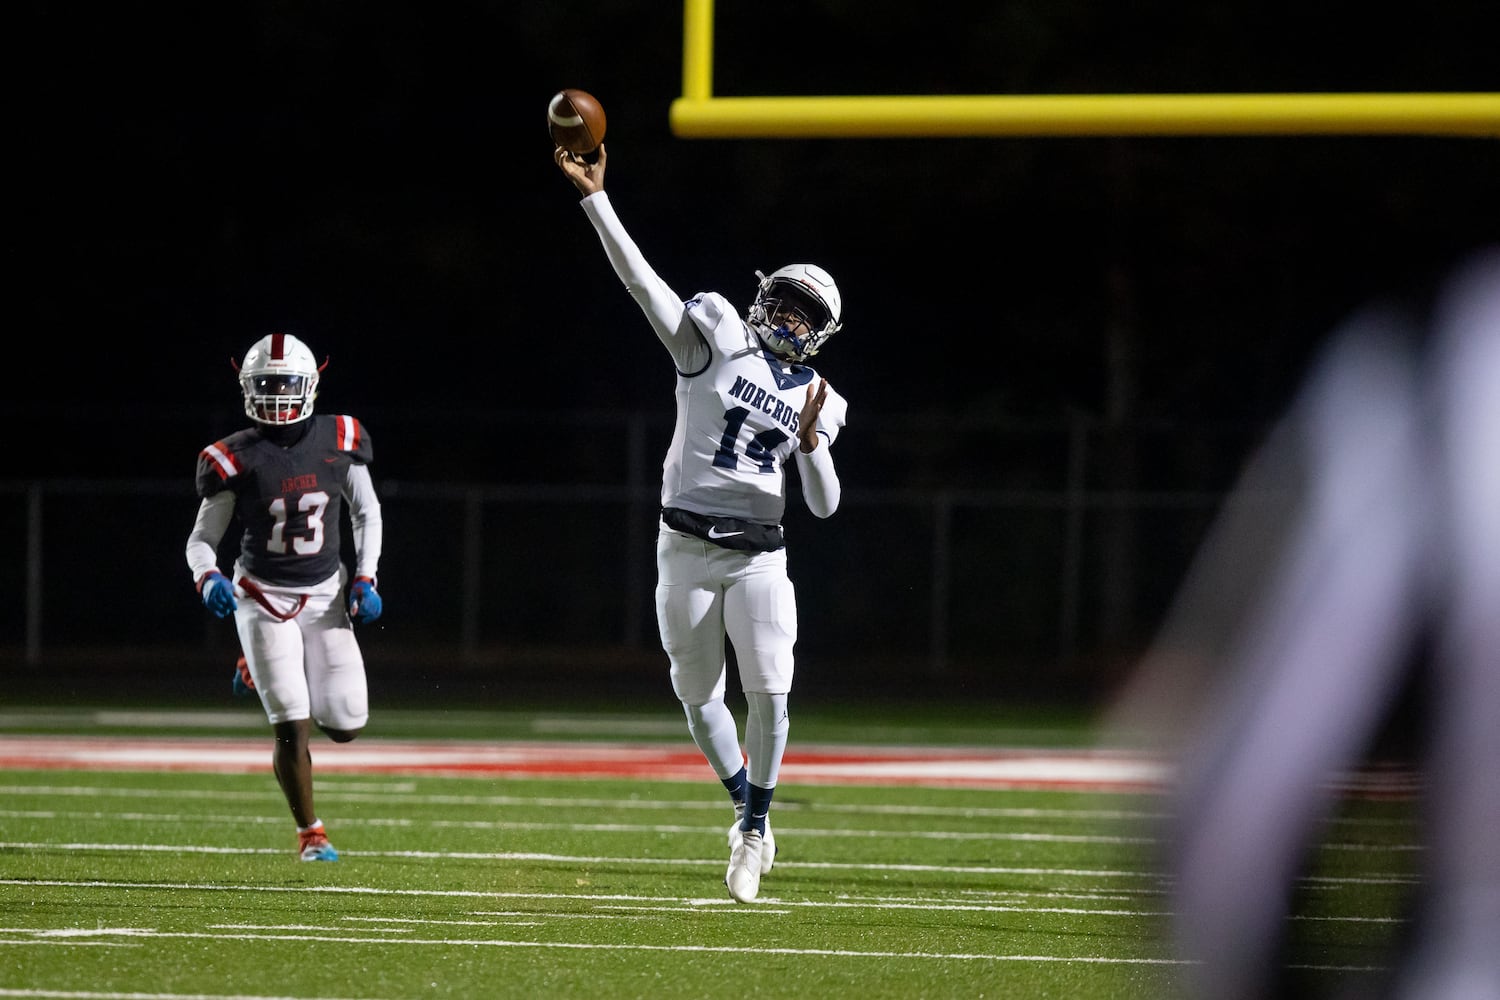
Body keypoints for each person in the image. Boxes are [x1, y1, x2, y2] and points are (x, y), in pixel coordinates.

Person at [554, 141, 849, 903]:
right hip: (683, 545)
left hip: (759, 555)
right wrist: (595, 199)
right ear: (762, 298)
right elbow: (640, 283)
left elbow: (822, 503)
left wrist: (811, 442)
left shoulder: (824, 397)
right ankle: (743, 806)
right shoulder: (714, 334)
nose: (789, 317)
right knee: (696, 696)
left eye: (806, 314)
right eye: (784, 301)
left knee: (774, 691)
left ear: (822, 332)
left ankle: (754, 830)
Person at [184, 331, 385, 862]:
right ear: (248, 386)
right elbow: (201, 540)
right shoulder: (233, 456)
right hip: (263, 596)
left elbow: (366, 511)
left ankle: (257, 666)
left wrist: (367, 576)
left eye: (284, 383)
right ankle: (311, 834)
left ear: (310, 383)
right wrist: (208, 577)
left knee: (344, 724)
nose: (275, 394)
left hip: (325, 596)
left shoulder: (341, 436)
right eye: (265, 384)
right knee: (291, 721)